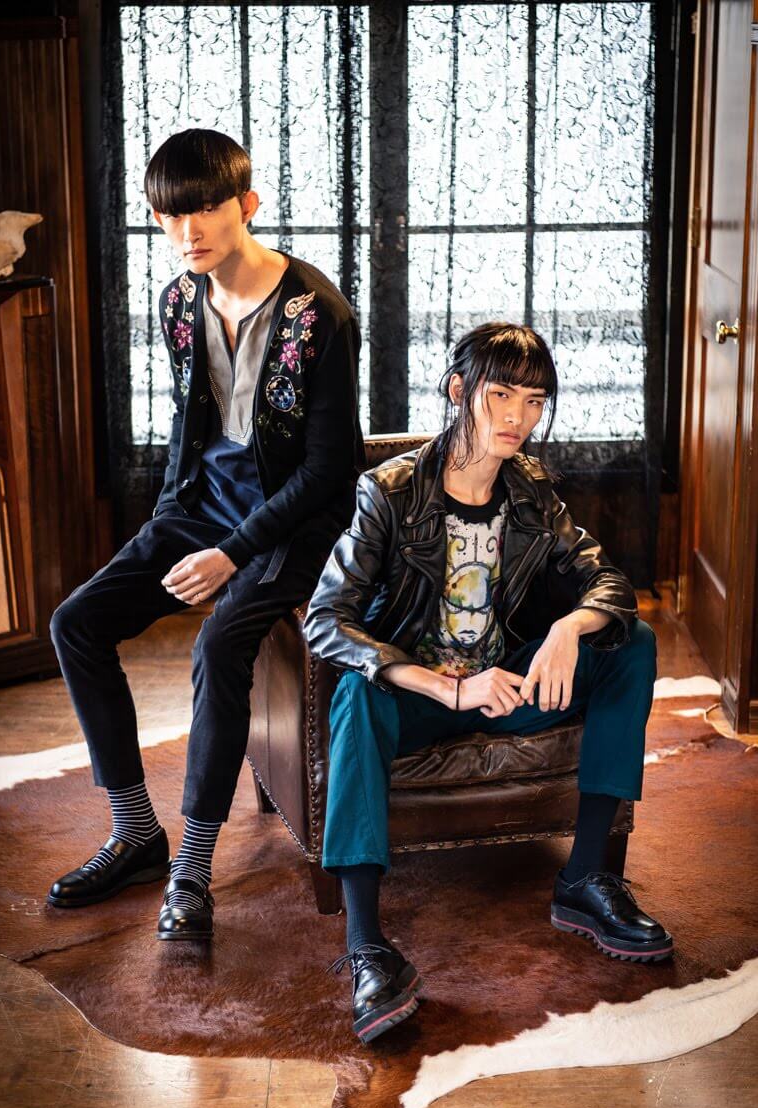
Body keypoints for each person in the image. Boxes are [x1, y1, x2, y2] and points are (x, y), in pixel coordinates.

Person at [302, 322, 672, 1045]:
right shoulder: (390, 491)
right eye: (500, 395)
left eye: (533, 402)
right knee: (357, 693)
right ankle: (367, 947)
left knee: (630, 643)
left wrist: (567, 631)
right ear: (458, 391)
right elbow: (325, 620)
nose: (517, 417)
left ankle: (584, 878)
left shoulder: (530, 489)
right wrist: (446, 688)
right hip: (421, 699)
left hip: (506, 688)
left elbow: (604, 579)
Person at [48, 128, 365, 940]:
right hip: (202, 507)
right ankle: (135, 833)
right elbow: (186, 427)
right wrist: (167, 522)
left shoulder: (318, 314)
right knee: (76, 623)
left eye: (204, 209)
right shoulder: (179, 303)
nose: (186, 230)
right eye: (168, 214)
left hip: (295, 526)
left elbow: (329, 470)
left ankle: (190, 871)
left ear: (246, 205)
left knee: (219, 645)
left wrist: (232, 554)